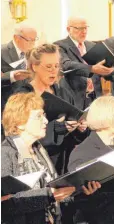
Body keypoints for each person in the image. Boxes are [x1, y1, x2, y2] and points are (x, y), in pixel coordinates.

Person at [1, 92, 101, 223]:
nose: (46, 121)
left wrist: (80, 191)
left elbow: (56, 193)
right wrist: (49, 195)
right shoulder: (5, 153)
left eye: (44, 115)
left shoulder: (39, 151)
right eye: (38, 116)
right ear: (20, 123)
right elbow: (4, 205)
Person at [13, 43, 86, 175]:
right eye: (48, 66)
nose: (53, 70)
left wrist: (79, 127)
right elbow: (17, 135)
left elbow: (73, 129)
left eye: (56, 66)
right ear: (34, 66)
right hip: (35, 163)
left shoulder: (63, 92)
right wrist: (57, 128)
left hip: (64, 162)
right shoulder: (23, 96)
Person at [54, 17, 114, 110]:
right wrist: (91, 68)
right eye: (79, 28)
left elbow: (102, 68)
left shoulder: (92, 45)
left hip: (94, 97)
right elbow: (66, 64)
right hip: (74, 96)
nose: (84, 31)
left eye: (85, 28)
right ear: (68, 29)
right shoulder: (60, 46)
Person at [1, 23, 37, 140]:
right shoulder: (2, 51)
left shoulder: (34, 54)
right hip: (7, 106)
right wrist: (11, 76)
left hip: (29, 106)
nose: (33, 44)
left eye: (34, 40)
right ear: (17, 38)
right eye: (29, 40)